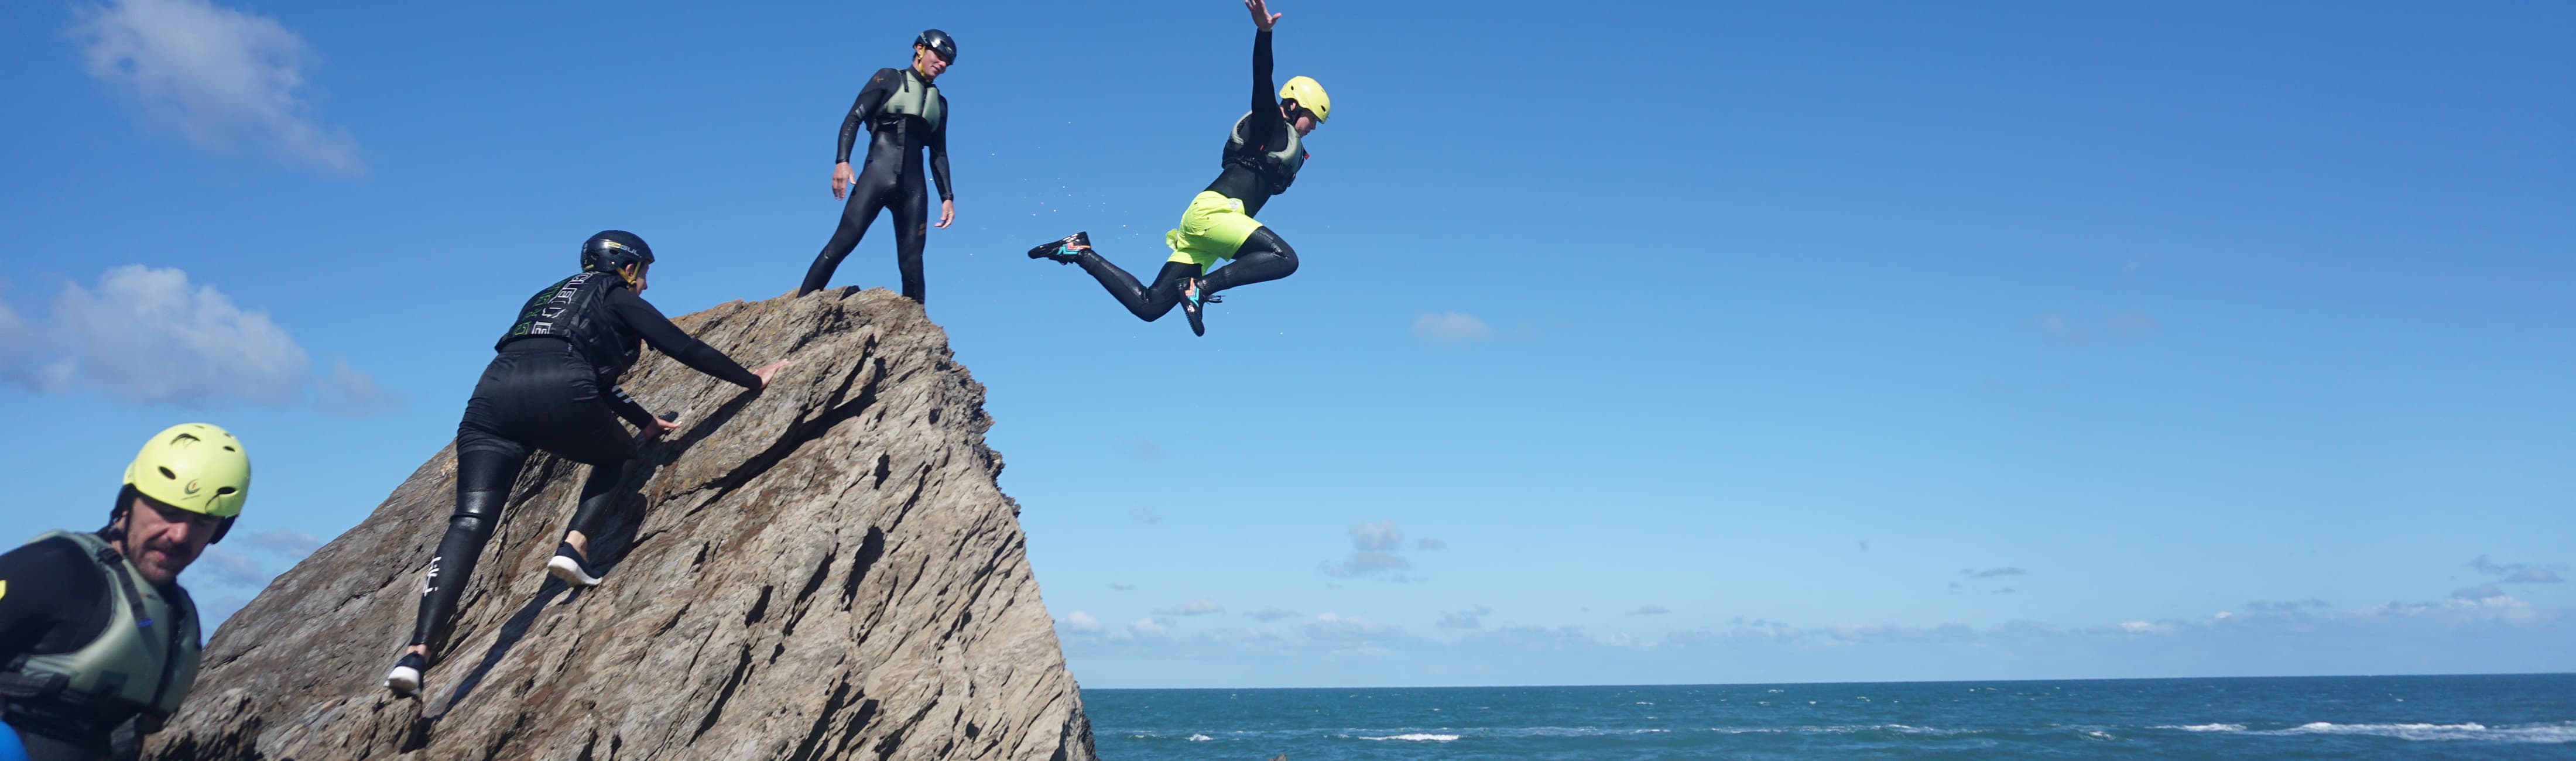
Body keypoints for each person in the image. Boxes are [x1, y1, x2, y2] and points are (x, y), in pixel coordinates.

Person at [385, 231, 789, 698]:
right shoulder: (616, 294)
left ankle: (416, 655)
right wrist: (751, 380)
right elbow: (681, 346)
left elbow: (569, 364)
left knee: (470, 522)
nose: (646, 285)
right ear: (628, 268)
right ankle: (573, 547)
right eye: (645, 274)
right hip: (561, 390)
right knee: (619, 455)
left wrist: (644, 420)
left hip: (490, 400)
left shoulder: (544, 298)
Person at [1027, 0, 1327, 336]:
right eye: (1312, 118)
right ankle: (1200, 289)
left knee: (1150, 306)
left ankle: (1079, 251)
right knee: (1285, 258)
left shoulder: (1282, 142)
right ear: (1293, 106)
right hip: (1215, 215)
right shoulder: (1270, 124)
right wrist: (1264, 33)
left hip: (1209, 231)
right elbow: (1262, 79)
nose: (1313, 127)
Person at [0, 423, 250, 760]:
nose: (179, 534)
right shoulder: (57, 568)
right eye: (167, 511)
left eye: (202, 521)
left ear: (220, 530)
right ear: (127, 504)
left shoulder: (178, 617)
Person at [797, 29, 959, 303]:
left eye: (947, 62)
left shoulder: (940, 104)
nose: (942, 64)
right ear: (920, 49)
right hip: (877, 176)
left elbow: (939, 153)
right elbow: (853, 118)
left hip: (914, 188)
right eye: (939, 56)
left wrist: (947, 197)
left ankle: (915, 322)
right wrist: (842, 161)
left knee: (912, 261)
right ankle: (800, 306)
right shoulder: (888, 78)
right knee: (842, 243)